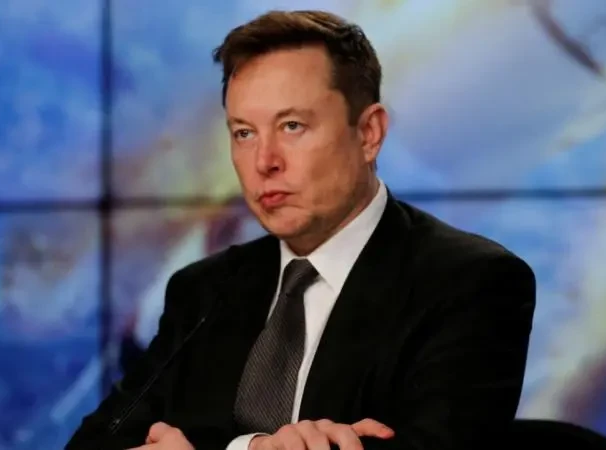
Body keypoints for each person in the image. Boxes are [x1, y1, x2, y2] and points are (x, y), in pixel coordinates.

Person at [66, 9, 536, 450]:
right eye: (244, 133)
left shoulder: (471, 283)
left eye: (291, 126)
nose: (264, 161)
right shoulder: (204, 292)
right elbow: (94, 442)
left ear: (368, 133)